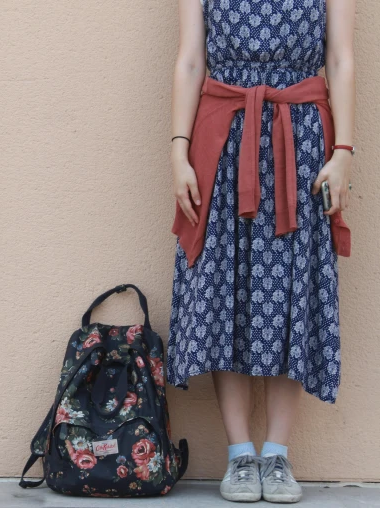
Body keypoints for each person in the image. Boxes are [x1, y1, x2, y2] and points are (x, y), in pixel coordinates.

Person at [166, 0, 355, 503]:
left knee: (294, 284)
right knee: (227, 283)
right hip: (223, 136)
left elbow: (339, 58)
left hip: (303, 140)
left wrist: (344, 153)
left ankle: (277, 453)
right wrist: (178, 151)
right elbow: (190, 57)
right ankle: (239, 455)